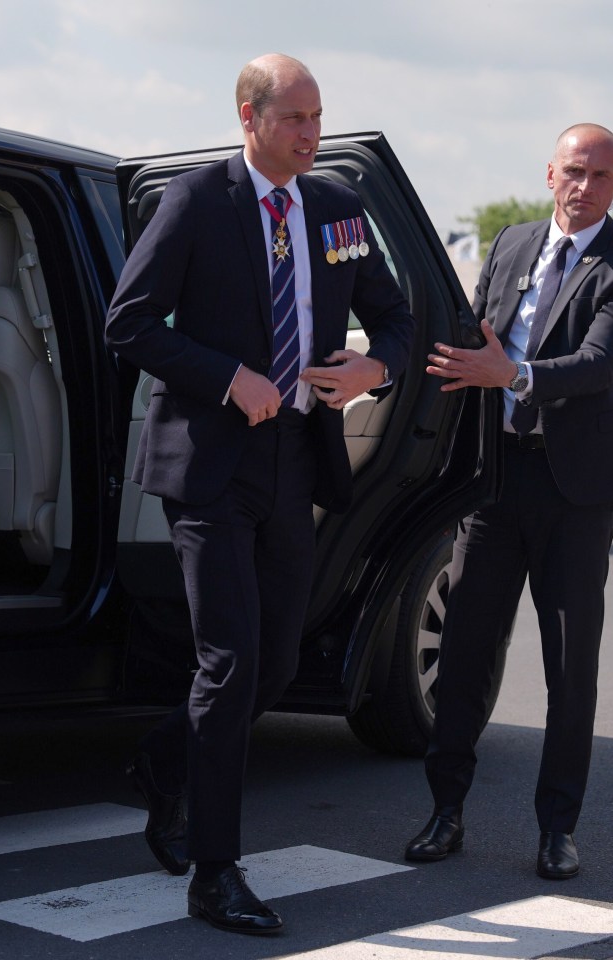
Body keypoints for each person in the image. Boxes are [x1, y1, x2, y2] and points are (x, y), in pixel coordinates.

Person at [106, 53, 415, 933]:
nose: (313, 135)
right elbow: (127, 321)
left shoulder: (338, 210)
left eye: (319, 118)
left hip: (293, 461)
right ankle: (215, 871)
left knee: (276, 662)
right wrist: (228, 377)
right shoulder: (199, 202)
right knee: (230, 661)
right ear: (249, 118)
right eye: (296, 120)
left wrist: (373, 365)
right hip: (209, 467)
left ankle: (164, 763)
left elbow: (395, 317)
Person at [405, 123, 613, 880]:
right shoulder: (513, 244)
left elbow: (595, 363)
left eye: (598, 175)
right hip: (493, 485)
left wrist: (514, 377)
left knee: (570, 670)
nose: (583, 186)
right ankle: (444, 811)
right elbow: (472, 339)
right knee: (463, 650)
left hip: (576, 495)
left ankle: (557, 829)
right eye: (572, 171)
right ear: (549, 173)